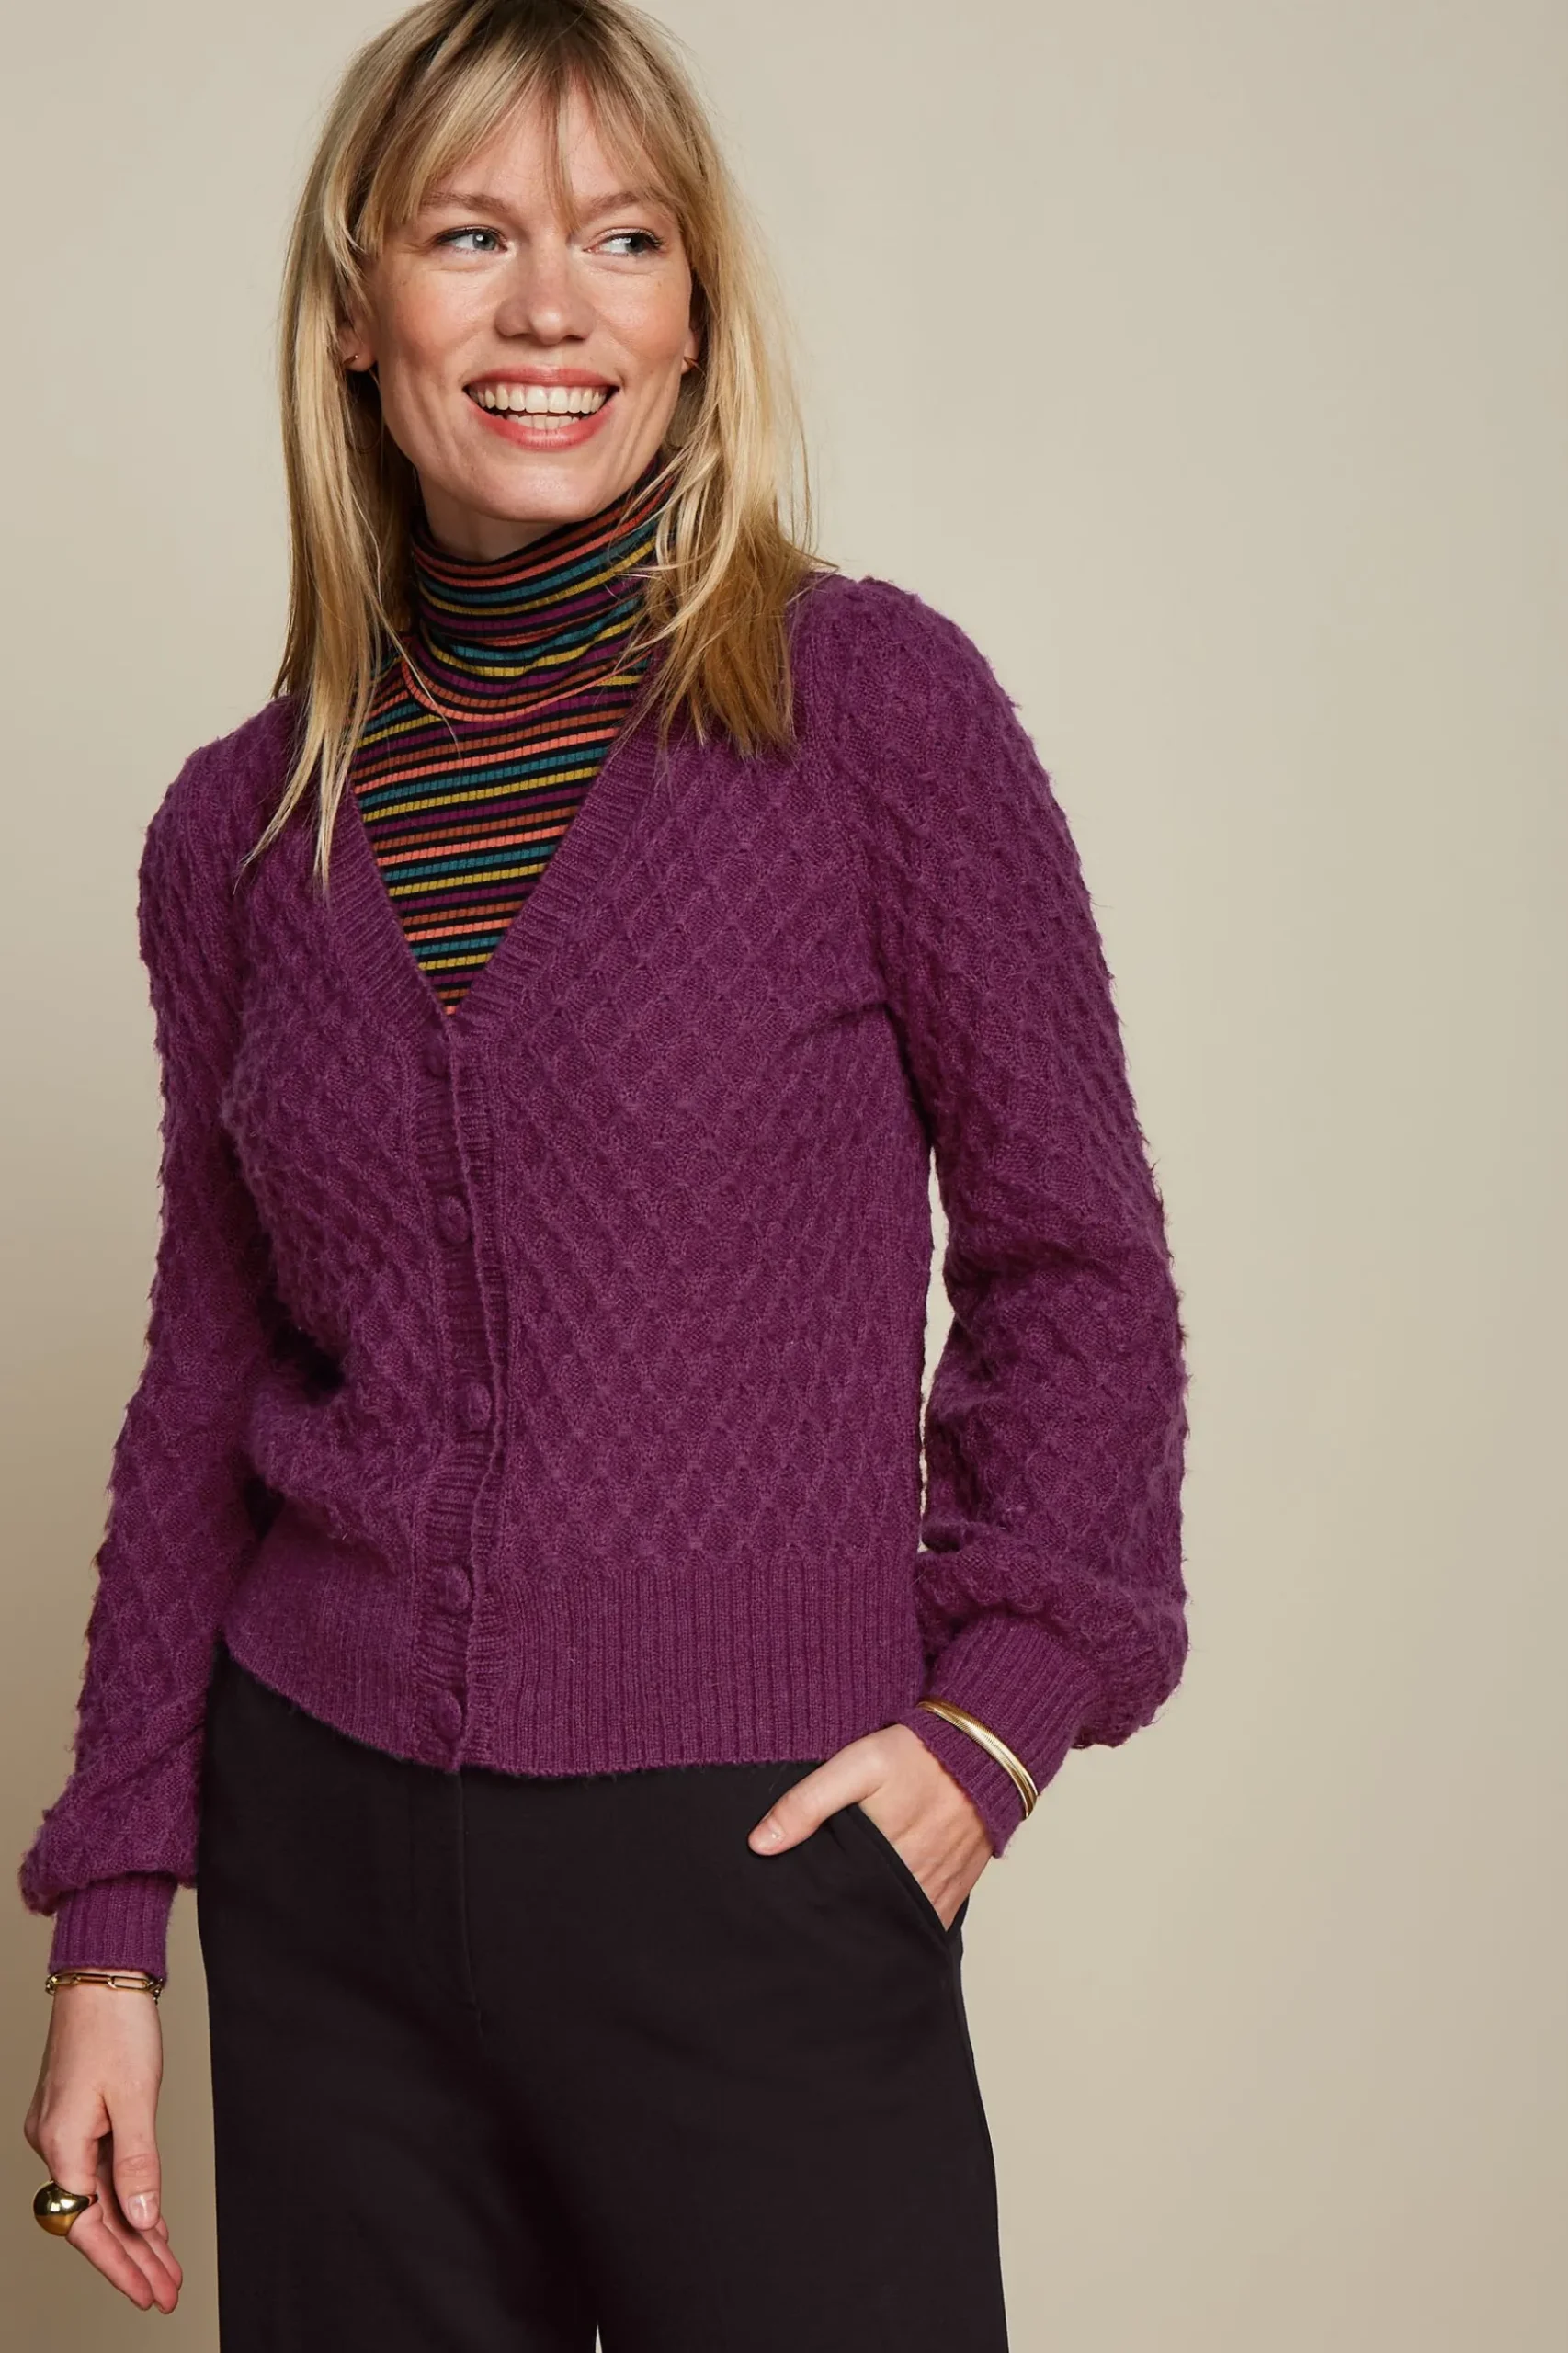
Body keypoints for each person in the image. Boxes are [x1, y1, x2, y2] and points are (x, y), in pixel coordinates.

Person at [17, 2, 1191, 2346]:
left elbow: (1075, 1259)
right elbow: (201, 1385)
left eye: (623, 240)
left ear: (692, 314)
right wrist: (113, 1925)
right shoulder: (236, 833)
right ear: (359, 314)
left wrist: (997, 1715)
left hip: (750, 1861)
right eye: (473, 236)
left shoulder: (870, 711)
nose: (550, 307)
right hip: (325, 1881)